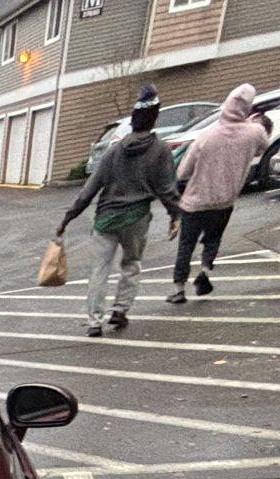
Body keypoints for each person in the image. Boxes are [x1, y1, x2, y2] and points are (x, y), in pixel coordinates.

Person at [57, 85, 181, 337]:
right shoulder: (160, 151)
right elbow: (167, 187)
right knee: (131, 264)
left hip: (105, 218)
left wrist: (68, 217)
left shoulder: (114, 151)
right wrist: (175, 215)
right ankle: (120, 310)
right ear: (154, 118)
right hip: (136, 216)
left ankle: (94, 320)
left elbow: (90, 189)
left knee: (99, 269)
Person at [167, 84, 270, 303]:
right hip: (225, 201)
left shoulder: (206, 136)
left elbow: (183, 171)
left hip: (196, 201)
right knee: (213, 239)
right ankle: (205, 270)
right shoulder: (254, 133)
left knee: (186, 245)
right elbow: (262, 148)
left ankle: (178, 289)